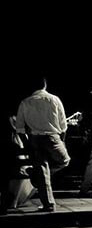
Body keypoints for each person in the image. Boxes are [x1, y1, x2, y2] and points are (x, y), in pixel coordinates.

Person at [15, 75, 71, 212]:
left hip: (34, 139)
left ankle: (48, 204)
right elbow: (63, 125)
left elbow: (20, 128)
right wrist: (62, 140)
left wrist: (27, 143)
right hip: (52, 137)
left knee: (41, 170)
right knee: (64, 161)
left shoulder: (25, 102)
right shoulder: (54, 99)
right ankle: (38, 176)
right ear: (45, 85)